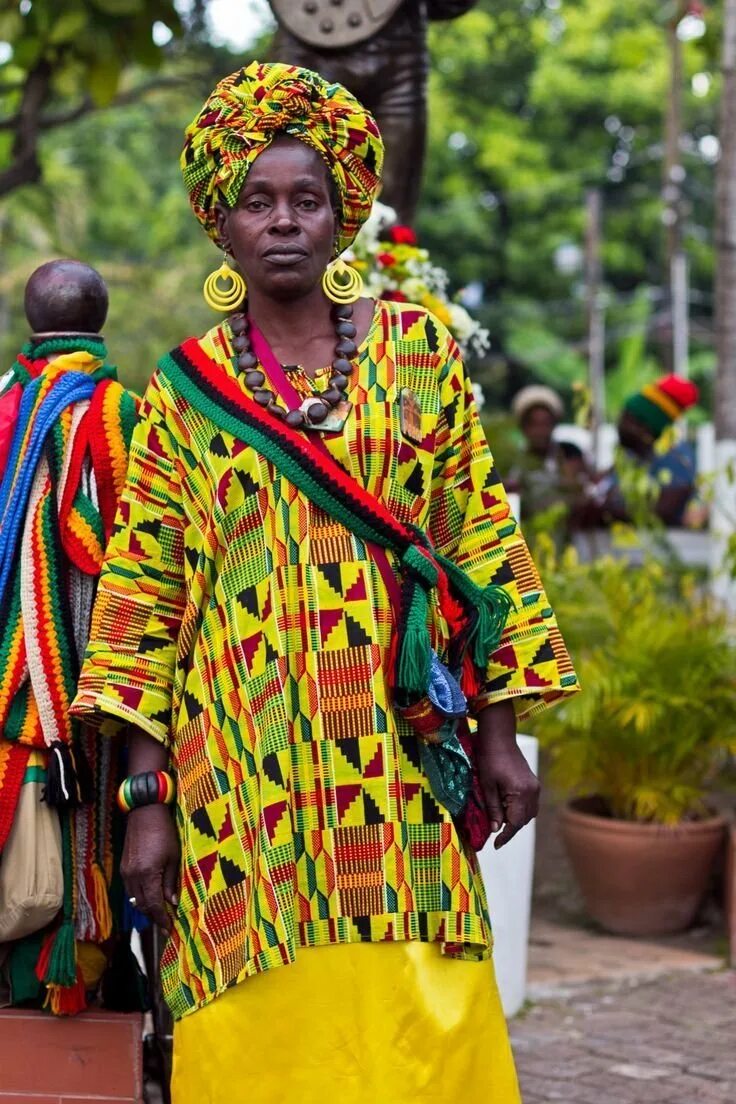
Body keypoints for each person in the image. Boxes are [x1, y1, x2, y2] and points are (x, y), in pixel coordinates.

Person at [71, 61, 578, 1103]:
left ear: (344, 211)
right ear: (223, 222)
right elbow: (142, 604)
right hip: (239, 775)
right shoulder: (183, 394)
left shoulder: (418, 357)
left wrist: (497, 733)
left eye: (307, 198)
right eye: (258, 201)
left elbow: (480, 548)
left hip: (397, 758)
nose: (285, 221)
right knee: (254, 1018)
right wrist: (148, 800)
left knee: (420, 997)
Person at [0, 261, 139, 1015]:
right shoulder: (122, 415)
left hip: (19, 685)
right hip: (91, 687)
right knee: (87, 849)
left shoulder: (5, 407)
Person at [269, 1, 478, 223]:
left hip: (400, 53)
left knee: (391, 211)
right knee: (286, 185)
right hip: (307, 40)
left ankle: (387, 255)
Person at [589, 374, 700, 528]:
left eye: (627, 420)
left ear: (645, 428)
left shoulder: (675, 456)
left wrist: (606, 515)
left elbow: (664, 512)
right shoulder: (630, 455)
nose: (619, 426)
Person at [506, 384, 588, 530]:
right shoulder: (513, 461)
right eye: (534, 424)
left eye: (546, 423)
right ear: (523, 427)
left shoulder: (570, 453)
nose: (540, 431)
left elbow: (583, 492)